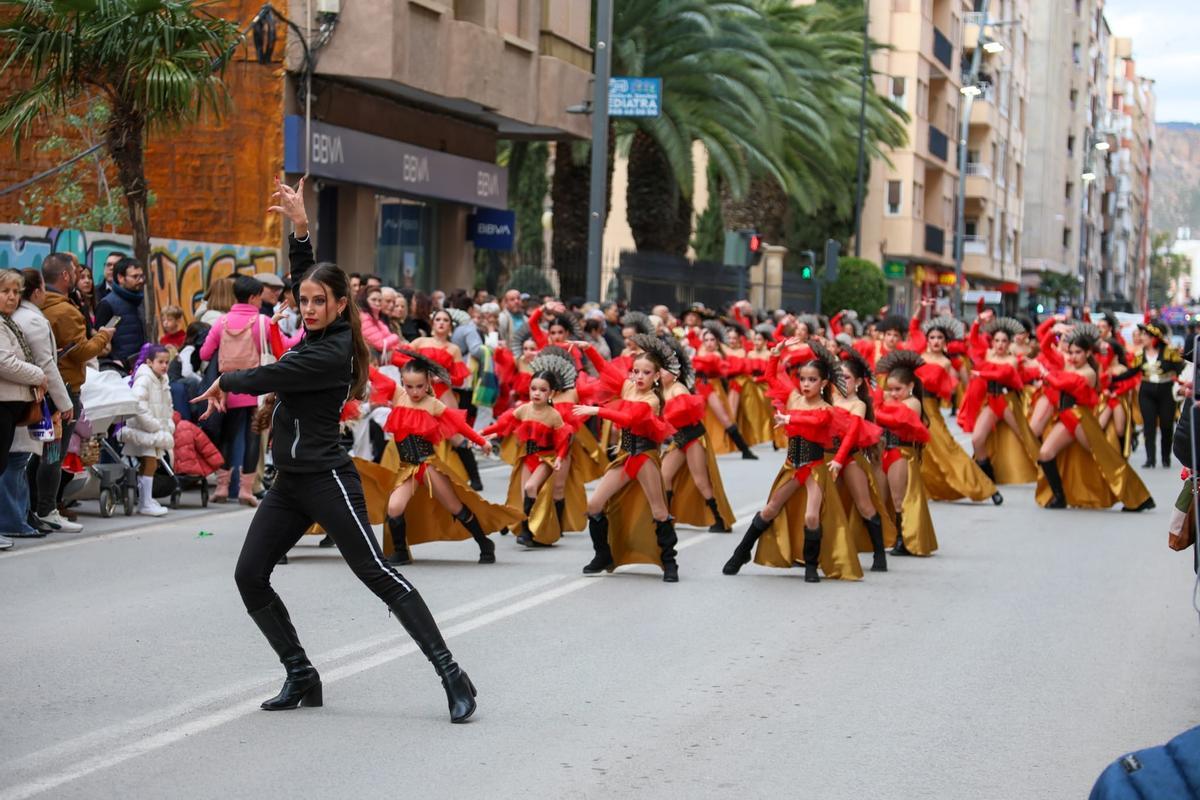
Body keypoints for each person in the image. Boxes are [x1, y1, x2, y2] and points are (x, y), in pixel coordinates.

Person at [193, 176, 479, 723]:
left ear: (341, 304)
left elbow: (270, 373)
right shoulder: (315, 326)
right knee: (250, 574)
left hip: (327, 480)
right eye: (304, 302)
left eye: (320, 302)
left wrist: (225, 384)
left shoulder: (332, 352)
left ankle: (451, 673)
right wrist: (301, 225)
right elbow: (307, 274)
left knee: (377, 574)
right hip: (289, 481)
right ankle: (301, 673)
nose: (309, 307)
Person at [721, 341, 861, 582]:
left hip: (814, 469)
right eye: (803, 379)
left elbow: (815, 422)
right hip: (791, 467)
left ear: (824, 383)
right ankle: (741, 551)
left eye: (812, 380)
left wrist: (788, 417)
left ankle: (810, 566)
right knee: (769, 510)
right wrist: (774, 356)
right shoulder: (794, 398)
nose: (806, 384)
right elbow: (771, 378)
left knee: (811, 516)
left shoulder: (827, 408)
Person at [572, 336, 680, 583]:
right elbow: (606, 371)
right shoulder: (628, 387)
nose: (639, 376)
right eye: (636, 371)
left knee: (659, 511)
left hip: (643, 456)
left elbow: (630, 419)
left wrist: (597, 410)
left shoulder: (652, 400)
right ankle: (603, 555)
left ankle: (669, 562)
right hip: (624, 456)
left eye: (646, 372)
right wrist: (589, 349)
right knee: (594, 506)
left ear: (656, 376)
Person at [38, 254, 114, 528]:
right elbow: (81, 352)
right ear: (67, 276)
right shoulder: (66, 311)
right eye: (75, 271)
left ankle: (36, 508)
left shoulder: (37, 309)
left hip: (44, 389)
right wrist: (104, 336)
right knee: (53, 454)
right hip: (64, 389)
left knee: (38, 453)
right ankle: (47, 509)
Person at [200, 275, 277, 506]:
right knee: (253, 436)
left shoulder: (221, 322)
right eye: (260, 297)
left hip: (227, 387)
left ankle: (222, 488)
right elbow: (285, 344)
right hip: (255, 386)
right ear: (253, 297)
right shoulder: (263, 322)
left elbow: (204, 354)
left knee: (227, 435)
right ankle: (245, 490)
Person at [9, 270, 72, 536]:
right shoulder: (32, 320)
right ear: (36, 290)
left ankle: (25, 514)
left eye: (13, 291)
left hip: (21, 396)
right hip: (25, 396)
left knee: (20, 459)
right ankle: (23, 516)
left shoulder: (16, 318)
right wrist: (64, 402)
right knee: (21, 460)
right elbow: (43, 363)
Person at [118, 345, 175, 516]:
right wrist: (154, 426)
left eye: (167, 362)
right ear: (149, 362)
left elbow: (168, 406)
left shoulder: (163, 379)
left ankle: (146, 499)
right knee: (149, 462)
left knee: (153, 463)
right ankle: (145, 502)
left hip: (155, 429)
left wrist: (168, 424)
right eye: (160, 362)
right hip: (144, 430)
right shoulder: (144, 379)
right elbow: (139, 406)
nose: (164, 365)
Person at [1133, 321, 1183, 469]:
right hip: (1146, 391)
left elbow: (1180, 368)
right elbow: (1132, 372)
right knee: (1148, 425)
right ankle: (1150, 459)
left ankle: (1165, 457)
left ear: (1154, 337)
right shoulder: (1140, 354)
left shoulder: (1169, 352)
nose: (1142, 337)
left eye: (1146, 335)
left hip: (1166, 390)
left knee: (1167, 425)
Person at [94, 257, 148, 369]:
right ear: (120, 278)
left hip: (139, 366)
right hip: (117, 370)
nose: (141, 280)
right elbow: (100, 342)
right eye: (135, 276)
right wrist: (115, 362)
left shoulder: (138, 301)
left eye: (141, 276)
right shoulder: (108, 304)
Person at [358, 284, 401, 356]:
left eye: (380, 300)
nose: (377, 303)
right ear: (364, 301)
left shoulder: (376, 319)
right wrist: (396, 337)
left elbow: (388, 341)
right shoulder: (363, 317)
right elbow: (381, 344)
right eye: (373, 300)